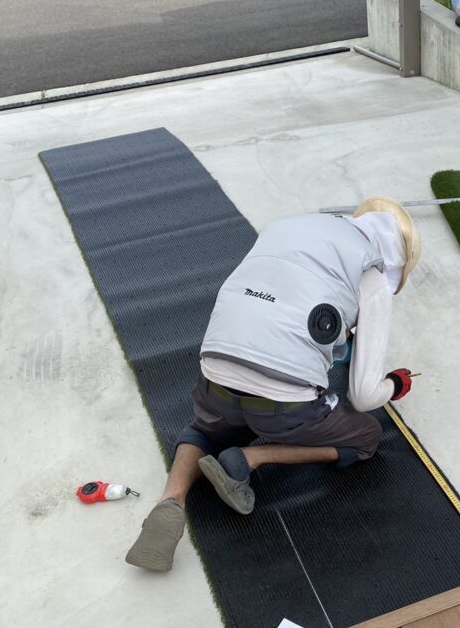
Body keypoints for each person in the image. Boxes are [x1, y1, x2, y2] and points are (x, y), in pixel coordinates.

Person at [125, 197, 421, 572]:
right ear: (394, 258)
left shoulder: (286, 227)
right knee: (366, 435)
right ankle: (251, 459)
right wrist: (395, 384)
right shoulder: (373, 275)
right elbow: (363, 396)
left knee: (204, 428)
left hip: (217, 370)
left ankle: (171, 499)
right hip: (285, 402)